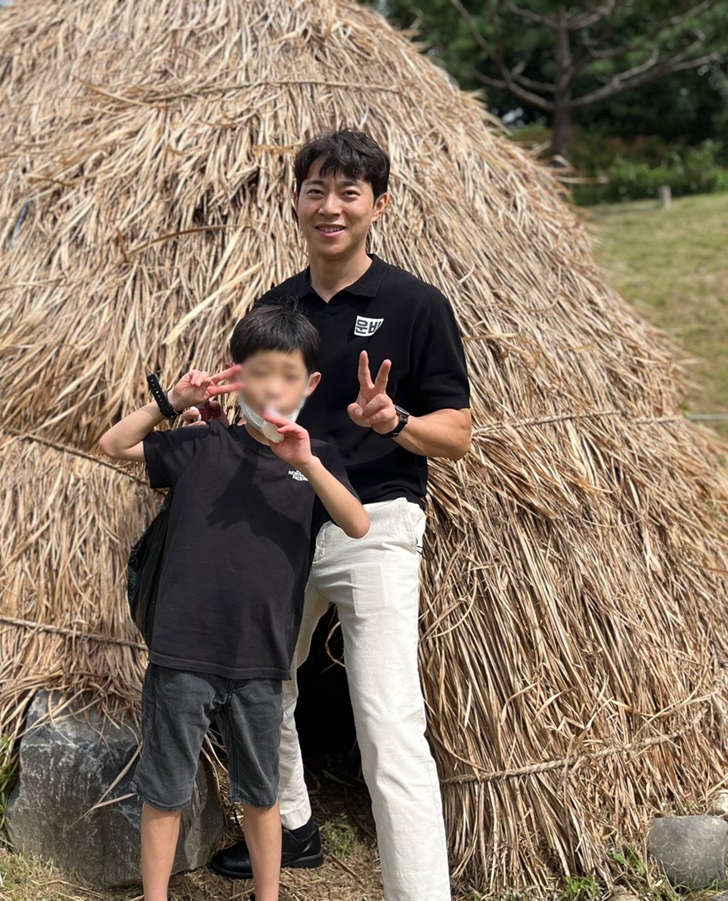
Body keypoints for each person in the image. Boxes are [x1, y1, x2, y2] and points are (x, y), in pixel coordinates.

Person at [205, 131, 472, 900]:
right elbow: (259, 410)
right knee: (256, 683)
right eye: (316, 190)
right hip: (284, 523)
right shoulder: (275, 307)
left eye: (350, 192)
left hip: (377, 523)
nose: (331, 207)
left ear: (378, 205)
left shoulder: (416, 306)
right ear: (296, 201)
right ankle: (292, 824)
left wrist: (394, 421)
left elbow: (457, 433)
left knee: (389, 724)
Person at [99, 305, 369, 901]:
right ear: (237, 376)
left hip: (262, 657)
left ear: (310, 383)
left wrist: (306, 462)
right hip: (182, 651)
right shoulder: (203, 442)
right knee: (165, 790)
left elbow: (356, 524)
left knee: (261, 792)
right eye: (259, 372)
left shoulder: (316, 457)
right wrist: (172, 402)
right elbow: (114, 443)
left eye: (288, 375)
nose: (273, 387)